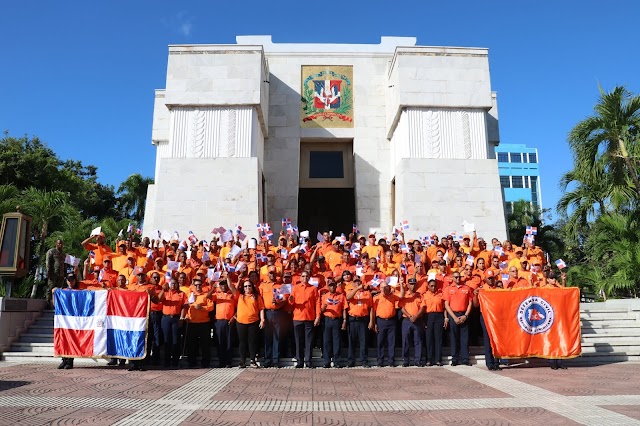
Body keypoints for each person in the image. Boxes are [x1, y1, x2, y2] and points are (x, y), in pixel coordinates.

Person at [289, 271, 321, 368]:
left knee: (309, 341)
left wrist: (318, 316)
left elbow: (317, 303)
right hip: (298, 317)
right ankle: (299, 361)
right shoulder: (295, 288)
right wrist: (290, 300)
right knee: (298, 340)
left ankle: (308, 361)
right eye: (303, 276)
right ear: (300, 277)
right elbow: (291, 303)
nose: (305, 278)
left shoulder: (313, 289)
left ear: (309, 278)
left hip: (309, 317)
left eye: (307, 276)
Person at [232, 279, 265, 368]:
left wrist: (262, 320)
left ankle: (252, 360)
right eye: (245, 286)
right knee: (242, 342)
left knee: (252, 342)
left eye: (249, 286)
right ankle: (242, 361)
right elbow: (232, 288)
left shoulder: (257, 296)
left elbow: (261, 308)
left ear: (252, 287)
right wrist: (228, 277)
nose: (247, 288)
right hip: (241, 322)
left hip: (253, 322)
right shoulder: (240, 296)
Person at [443, 272, 473, 366]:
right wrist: (454, 317)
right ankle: (454, 358)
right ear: (452, 278)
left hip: (464, 314)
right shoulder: (448, 289)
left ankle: (465, 358)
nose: (457, 279)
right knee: (454, 338)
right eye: (455, 277)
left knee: (465, 338)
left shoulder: (466, 288)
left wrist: (466, 315)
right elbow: (446, 305)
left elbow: (470, 303)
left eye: (459, 277)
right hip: (453, 315)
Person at [158, 276, 188, 368]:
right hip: (166, 318)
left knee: (176, 340)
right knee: (166, 340)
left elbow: (184, 306)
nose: (173, 285)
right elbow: (158, 300)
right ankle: (166, 361)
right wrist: (163, 290)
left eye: (175, 283)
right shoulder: (165, 293)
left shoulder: (182, 294)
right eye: (172, 283)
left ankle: (175, 361)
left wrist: (182, 318)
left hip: (176, 319)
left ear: (178, 284)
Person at [373, 281, 404, 367]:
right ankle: (380, 360)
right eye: (383, 287)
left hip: (391, 321)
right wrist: (374, 323)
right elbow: (373, 311)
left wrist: (401, 284)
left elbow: (401, 295)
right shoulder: (376, 298)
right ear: (380, 288)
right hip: (380, 321)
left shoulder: (393, 296)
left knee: (392, 342)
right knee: (380, 341)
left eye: (386, 287)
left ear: (389, 287)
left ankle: (391, 360)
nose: (384, 289)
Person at [345, 277, 374, 368]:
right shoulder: (350, 292)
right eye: (355, 282)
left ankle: (364, 360)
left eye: (359, 282)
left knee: (363, 341)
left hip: (363, 319)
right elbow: (348, 297)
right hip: (353, 319)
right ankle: (351, 360)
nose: (357, 283)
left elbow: (371, 308)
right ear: (353, 284)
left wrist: (371, 321)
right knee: (351, 341)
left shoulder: (367, 294)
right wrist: (356, 289)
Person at [185, 278, 213, 368]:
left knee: (205, 344)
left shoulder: (205, 296)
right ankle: (191, 362)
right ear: (193, 286)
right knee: (191, 344)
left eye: (199, 285)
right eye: (196, 285)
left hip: (204, 323)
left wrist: (202, 308)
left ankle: (205, 362)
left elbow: (211, 307)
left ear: (202, 286)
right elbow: (185, 306)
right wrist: (185, 315)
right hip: (192, 322)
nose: (198, 286)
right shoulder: (190, 295)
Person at [55, 272, 79, 369]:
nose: (70, 282)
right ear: (66, 281)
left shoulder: (79, 292)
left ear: (75, 280)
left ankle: (70, 361)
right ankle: (64, 359)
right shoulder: (62, 291)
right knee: (63, 339)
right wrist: (54, 293)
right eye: (69, 280)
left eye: (72, 280)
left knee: (71, 339)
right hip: (63, 319)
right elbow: (55, 304)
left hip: (73, 319)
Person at [321, 279, 347, 368]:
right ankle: (327, 361)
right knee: (326, 341)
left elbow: (344, 308)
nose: (332, 287)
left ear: (336, 286)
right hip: (327, 319)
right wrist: (324, 307)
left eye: (333, 285)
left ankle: (337, 361)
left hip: (337, 320)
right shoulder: (325, 296)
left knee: (337, 341)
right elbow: (321, 310)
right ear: (328, 287)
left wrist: (344, 321)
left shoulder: (341, 296)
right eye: (330, 285)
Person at [210, 280, 237, 368]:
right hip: (219, 322)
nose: (223, 287)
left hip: (229, 321)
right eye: (221, 285)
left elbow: (239, 307)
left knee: (229, 342)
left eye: (225, 285)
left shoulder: (232, 295)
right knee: (220, 342)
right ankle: (221, 362)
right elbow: (207, 297)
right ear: (219, 286)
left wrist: (234, 317)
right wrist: (212, 289)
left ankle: (228, 362)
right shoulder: (217, 295)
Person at [399, 277, 424, 367]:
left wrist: (416, 316)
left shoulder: (420, 295)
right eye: (411, 284)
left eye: (414, 284)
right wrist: (409, 315)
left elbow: (422, 307)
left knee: (418, 340)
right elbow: (401, 307)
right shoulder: (404, 295)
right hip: (407, 320)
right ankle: (405, 360)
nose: (413, 286)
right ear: (408, 285)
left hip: (417, 320)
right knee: (405, 341)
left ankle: (418, 360)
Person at [423, 279, 447, 366]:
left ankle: (438, 359)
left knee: (438, 338)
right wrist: (423, 321)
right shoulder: (425, 295)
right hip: (429, 316)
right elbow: (423, 308)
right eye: (431, 286)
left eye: (434, 286)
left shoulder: (441, 295)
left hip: (439, 316)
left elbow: (444, 308)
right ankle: (429, 359)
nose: (433, 287)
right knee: (429, 339)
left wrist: (445, 318)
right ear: (428, 286)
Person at [45, 239, 66, 305]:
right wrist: (48, 272)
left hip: (61, 275)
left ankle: (57, 304)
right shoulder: (51, 251)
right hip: (53, 274)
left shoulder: (63, 254)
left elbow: (65, 265)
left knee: (59, 290)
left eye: (61, 244)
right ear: (56, 244)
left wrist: (65, 274)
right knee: (50, 288)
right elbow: (48, 262)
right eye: (59, 243)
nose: (60, 245)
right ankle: (48, 303)